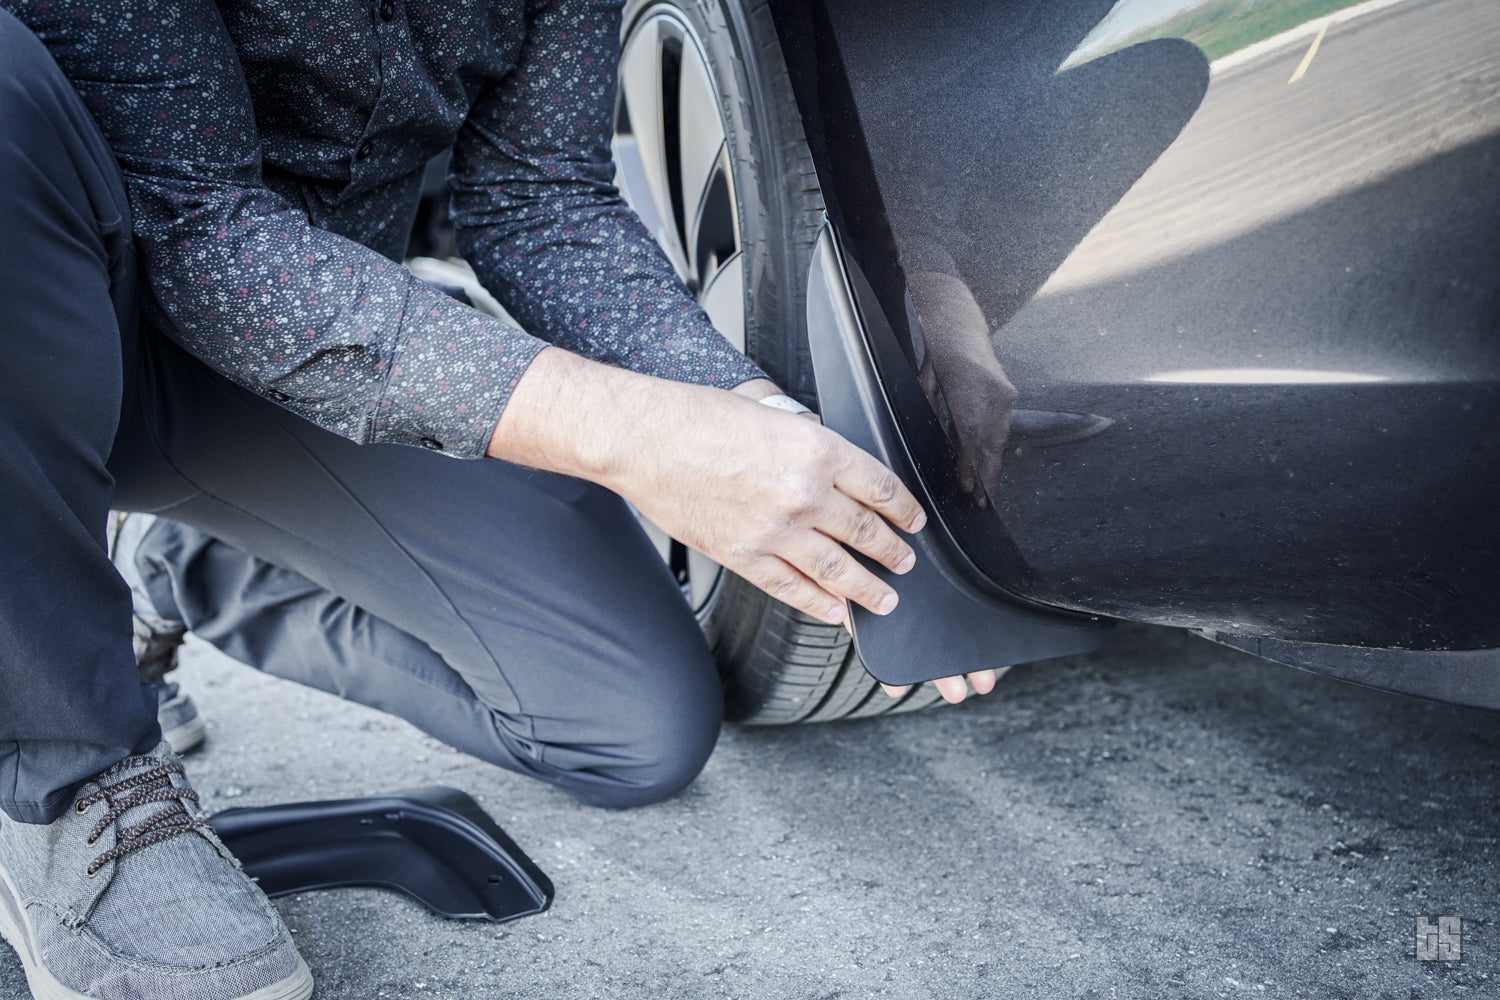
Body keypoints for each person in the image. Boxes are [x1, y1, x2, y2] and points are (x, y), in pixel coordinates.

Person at [0, 2, 995, 998]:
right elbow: (208, 242)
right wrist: (638, 436)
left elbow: (539, 204)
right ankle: (51, 768)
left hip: (302, 360)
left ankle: (176, 566)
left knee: (634, 719)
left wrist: (758, 420)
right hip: (74, 310)